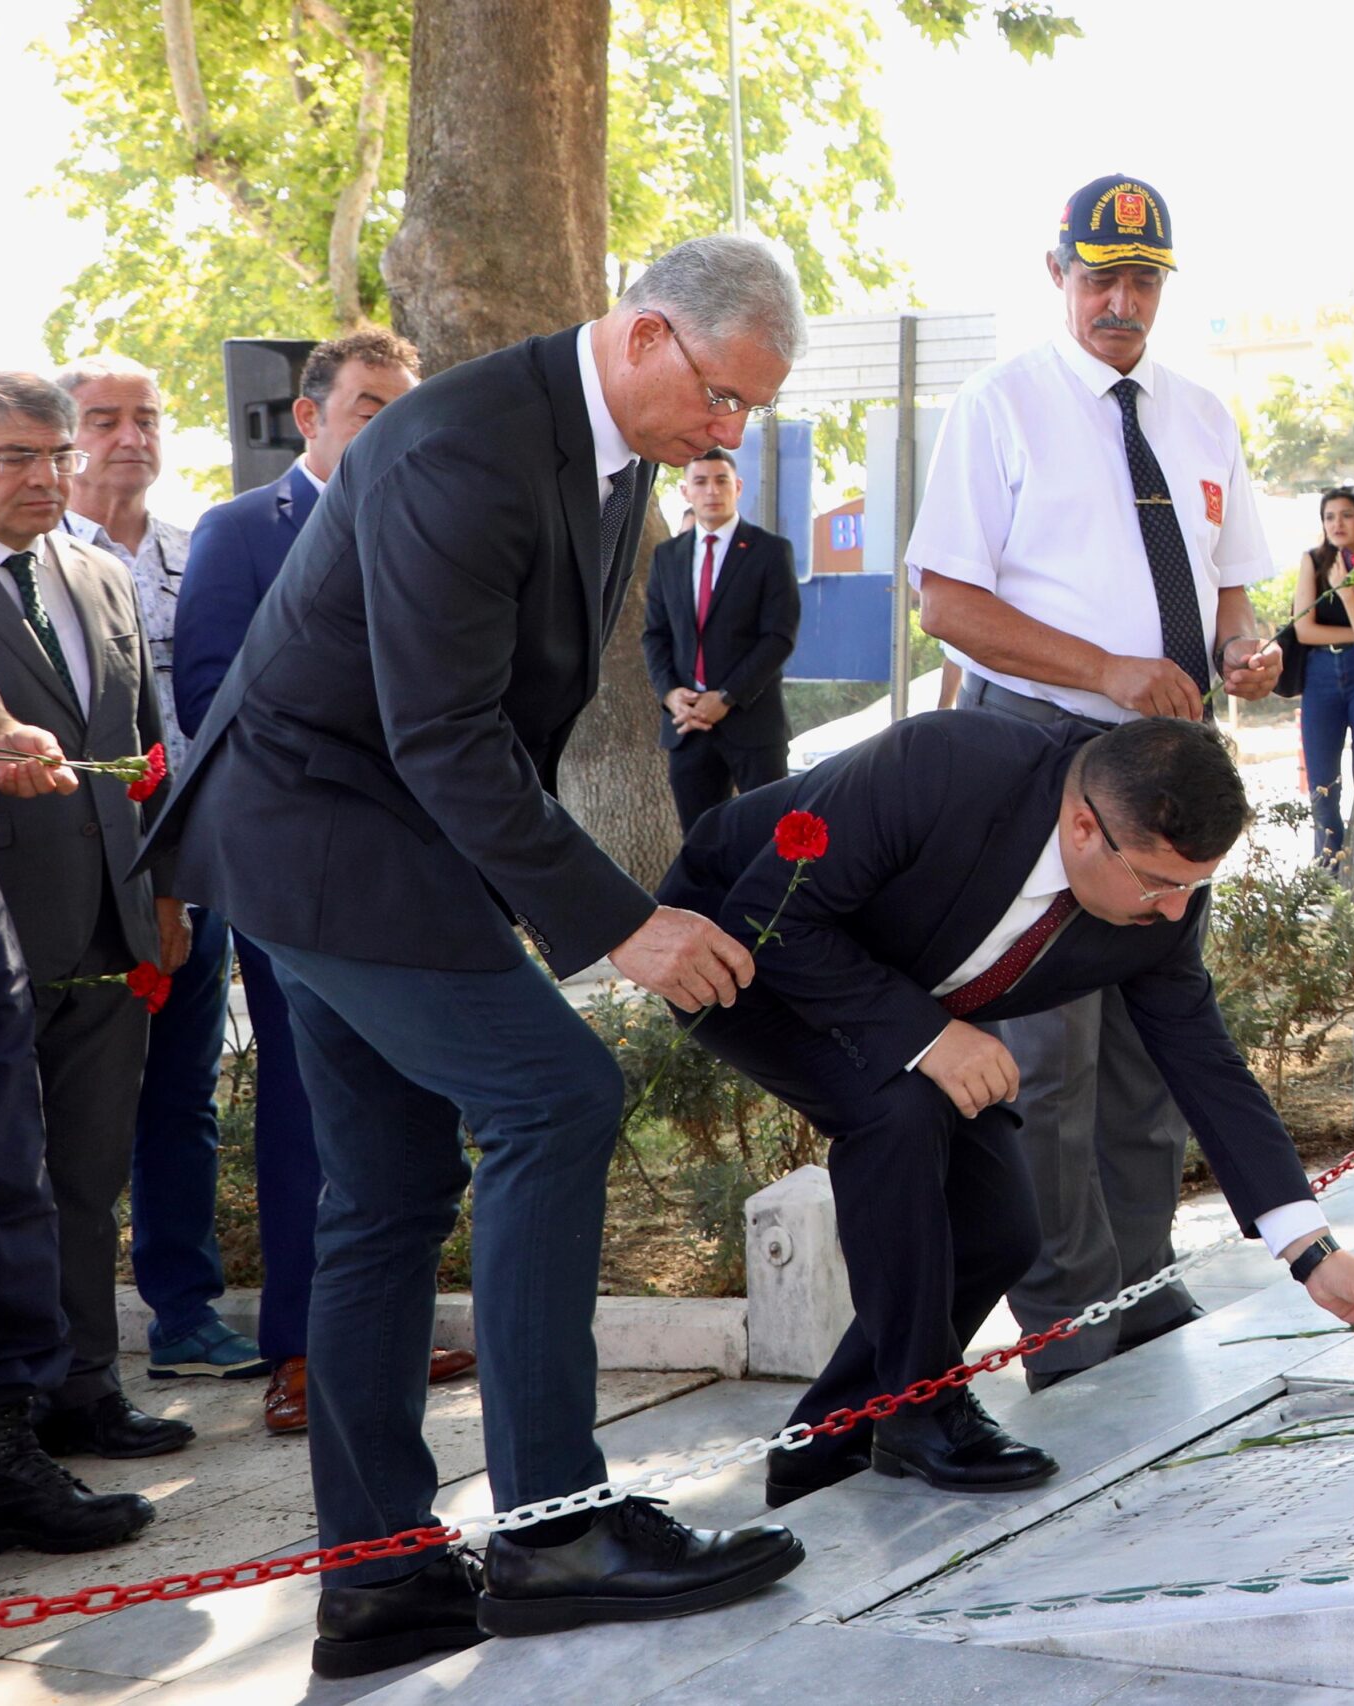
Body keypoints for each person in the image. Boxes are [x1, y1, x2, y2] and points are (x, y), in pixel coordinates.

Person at [141, 237, 806, 1679]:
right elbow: (442, 728)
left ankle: (378, 1578)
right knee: (555, 1096)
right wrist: (619, 919)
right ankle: (555, 1526)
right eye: (721, 394)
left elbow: (498, 715)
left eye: (751, 410)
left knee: (388, 1191)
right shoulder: (466, 443)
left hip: (357, 842)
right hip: (322, 835)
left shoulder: (598, 446)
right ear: (642, 335)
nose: (728, 432)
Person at [664, 712, 1354, 1503]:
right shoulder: (943, 765)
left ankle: (829, 1437)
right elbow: (771, 918)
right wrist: (928, 1036)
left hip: (895, 981)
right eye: (1161, 883)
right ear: (1085, 826)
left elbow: (1205, 1063)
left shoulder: (1162, 900)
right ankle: (922, 1410)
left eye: (1194, 885)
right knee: (899, 1112)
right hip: (738, 950)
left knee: (1000, 1231)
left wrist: (1313, 1253)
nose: (1173, 911)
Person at [912, 175, 1282, 1390]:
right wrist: (1105, 670)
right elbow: (948, 602)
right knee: (1052, 1054)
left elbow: (1228, 584)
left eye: (1143, 282)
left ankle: (1139, 1275)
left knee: (1152, 1038)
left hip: (1170, 766)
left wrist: (1241, 649)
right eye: (1100, 279)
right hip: (1040, 757)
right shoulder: (1000, 405)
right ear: (1057, 274)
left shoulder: (1200, 412)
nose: (1121, 303)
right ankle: (1066, 1313)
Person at [172, 326, 466, 1437]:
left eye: (407, 407)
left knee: (403, 1112)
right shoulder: (242, 532)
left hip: (416, 873)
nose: (393, 426)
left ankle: (384, 1331)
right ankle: (300, 1353)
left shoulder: (433, 531)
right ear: (311, 416)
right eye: (370, 406)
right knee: (304, 1106)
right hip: (297, 878)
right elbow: (210, 702)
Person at [0, 372, 193, 1464]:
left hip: (113, 926)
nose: (45, 476)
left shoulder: (99, 570)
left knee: (90, 1174)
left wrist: (166, 890)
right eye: (14, 457)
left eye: (54, 454)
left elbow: (144, 748)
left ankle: (84, 1385)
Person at [53, 354, 258, 1386]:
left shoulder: (198, 550)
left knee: (183, 1097)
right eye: (104, 418)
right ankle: (60, 1346)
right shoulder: (33, 560)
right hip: (80, 880)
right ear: (65, 432)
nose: (129, 435)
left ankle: (185, 1312)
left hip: (197, 863)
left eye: (147, 416)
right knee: (74, 1110)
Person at [641, 445, 799, 832]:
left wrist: (726, 696)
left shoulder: (770, 551)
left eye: (721, 481)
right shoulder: (667, 556)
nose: (712, 490)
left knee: (768, 841)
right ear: (685, 492)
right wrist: (670, 694)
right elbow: (656, 635)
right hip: (687, 728)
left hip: (753, 725)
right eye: (700, 481)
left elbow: (779, 637)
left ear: (738, 486)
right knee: (700, 849)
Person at [1289, 486, 1354, 861]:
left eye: (1346, 514)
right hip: (1321, 671)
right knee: (1322, 777)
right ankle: (1328, 863)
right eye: (1329, 516)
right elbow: (1304, 630)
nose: (1337, 523)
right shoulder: (1314, 560)